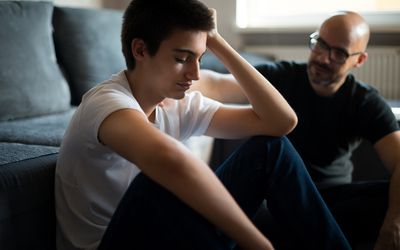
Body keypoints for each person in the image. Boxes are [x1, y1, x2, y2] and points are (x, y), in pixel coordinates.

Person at [54, 0, 352, 249]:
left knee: (270, 149)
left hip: (163, 236)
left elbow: (281, 122)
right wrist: (258, 244)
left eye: (199, 58)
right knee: (158, 179)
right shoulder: (107, 104)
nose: (195, 74)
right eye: (183, 58)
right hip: (114, 243)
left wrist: (219, 43)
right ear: (140, 50)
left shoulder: (178, 104)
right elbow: (171, 162)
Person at [194, 11, 400, 250]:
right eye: (320, 44)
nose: (323, 58)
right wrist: (174, 77)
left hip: (332, 201)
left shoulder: (364, 101)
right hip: (277, 202)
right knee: (270, 151)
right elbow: (218, 85)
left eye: (338, 53)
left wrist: (394, 223)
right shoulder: (284, 76)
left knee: (391, 198)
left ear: (359, 60)